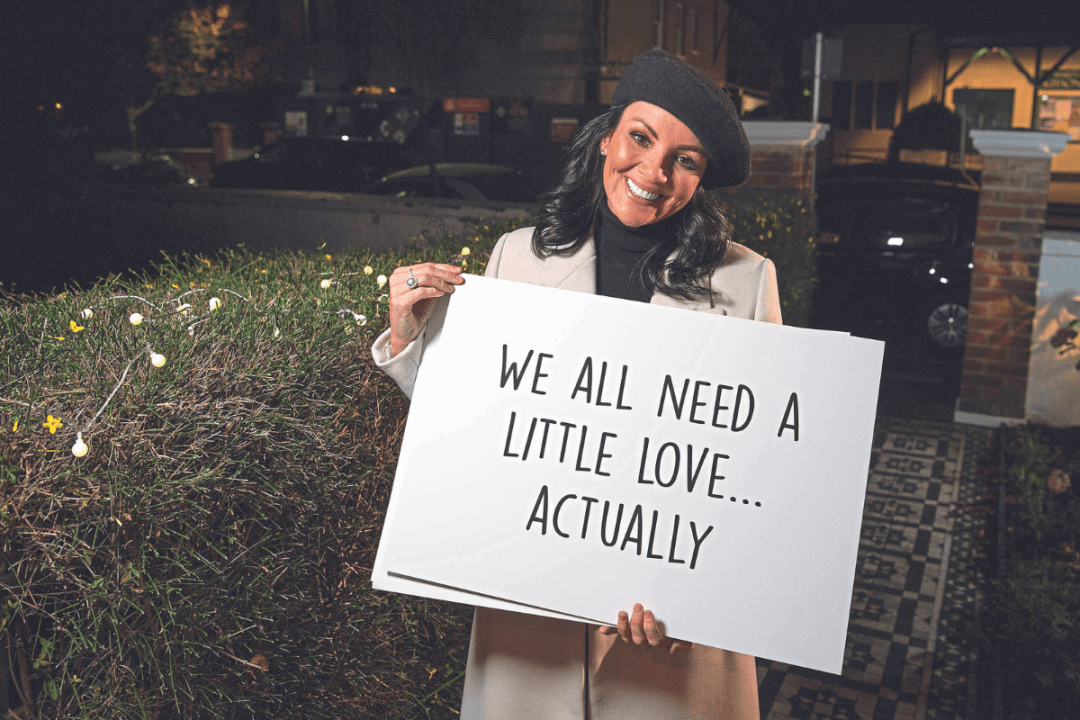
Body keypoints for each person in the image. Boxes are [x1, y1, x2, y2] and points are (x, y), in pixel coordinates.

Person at [373, 49, 778, 720]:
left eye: (687, 159)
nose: (653, 171)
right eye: (641, 139)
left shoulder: (745, 281)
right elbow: (483, 423)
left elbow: (754, 470)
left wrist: (696, 596)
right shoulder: (517, 257)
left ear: (701, 180)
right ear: (606, 140)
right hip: (529, 628)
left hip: (666, 645)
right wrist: (410, 334)